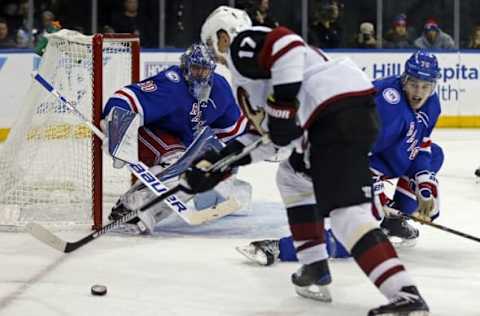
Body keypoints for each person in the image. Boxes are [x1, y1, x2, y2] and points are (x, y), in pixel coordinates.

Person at [186, 6, 430, 315]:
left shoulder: (242, 45)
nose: (215, 56)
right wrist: (215, 166)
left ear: (223, 36)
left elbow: (287, 46)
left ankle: (406, 295)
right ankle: (314, 267)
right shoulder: (247, 83)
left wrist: (283, 107)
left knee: (347, 217)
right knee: (291, 176)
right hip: (340, 115)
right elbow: (266, 139)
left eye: (212, 45)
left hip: (333, 111)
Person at [241, 50, 443, 264]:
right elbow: (352, 151)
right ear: (404, 80)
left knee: (436, 155)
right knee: (359, 232)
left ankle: (394, 223)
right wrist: (374, 192)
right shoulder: (388, 106)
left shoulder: (432, 104)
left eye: (425, 86)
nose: (418, 93)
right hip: (341, 159)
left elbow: (421, 144)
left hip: (377, 157)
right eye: (414, 84)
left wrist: (424, 183)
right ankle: (279, 248)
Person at [103, 43, 249, 234]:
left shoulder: (220, 90)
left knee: (195, 172)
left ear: (212, 71)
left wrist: (228, 164)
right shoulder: (172, 84)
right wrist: (117, 127)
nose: (200, 74)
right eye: (195, 68)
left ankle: (148, 213)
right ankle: (129, 206)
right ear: (186, 67)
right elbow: (124, 99)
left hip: (176, 142)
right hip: (144, 131)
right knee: (178, 162)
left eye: (205, 70)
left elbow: (232, 132)